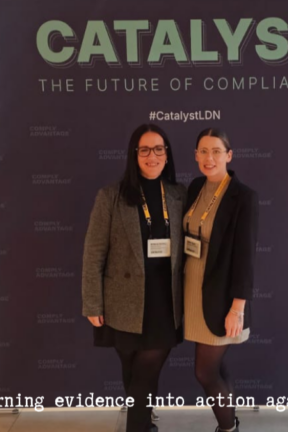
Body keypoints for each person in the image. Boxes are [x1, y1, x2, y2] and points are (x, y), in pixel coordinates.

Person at [82, 124, 187, 432]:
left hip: (166, 303)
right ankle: (144, 421)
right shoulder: (111, 197)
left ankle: (137, 426)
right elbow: (94, 253)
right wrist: (92, 303)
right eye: (144, 150)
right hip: (123, 303)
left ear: (167, 154)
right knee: (131, 371)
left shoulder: (180, 195)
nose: (152, 156)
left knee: (145, 372)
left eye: (158, 149)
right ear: (134, 154)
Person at [183, 128, 258, 432]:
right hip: (193, 290)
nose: (209, 157)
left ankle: (228, 428)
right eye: (203, 151)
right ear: (195, 155)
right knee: (216, 368)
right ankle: (231, 423)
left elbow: (245, 258)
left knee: (204, 372)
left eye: (216, 151)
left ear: (229, 155)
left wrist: (237, 309)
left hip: (222, 298)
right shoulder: (195, 187)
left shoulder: (244, 197)